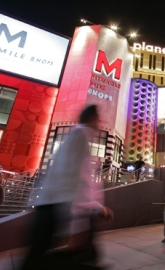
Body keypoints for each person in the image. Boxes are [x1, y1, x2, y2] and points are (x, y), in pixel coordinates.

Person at [20, 105, 113, 269]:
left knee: (36, 258)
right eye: (98, 118)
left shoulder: (74, 135)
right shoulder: (81, 135)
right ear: (91, 118)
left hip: (51, 205)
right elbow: (77, 178)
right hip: (59, 206)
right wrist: (93, 209)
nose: (100, 122)